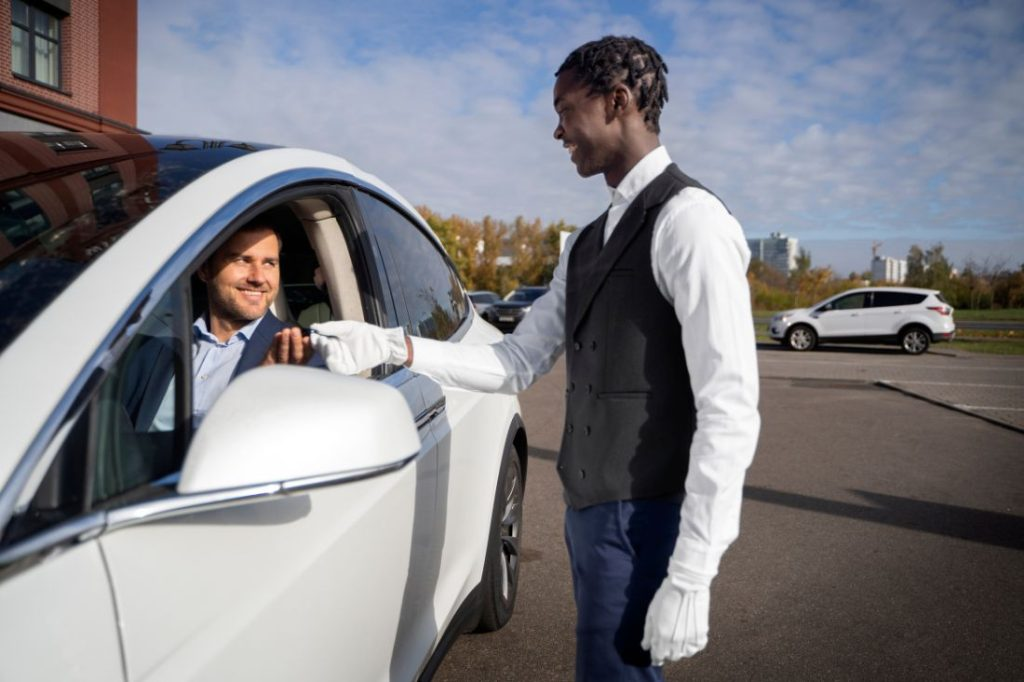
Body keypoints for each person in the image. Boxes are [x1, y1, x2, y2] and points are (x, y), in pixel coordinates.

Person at [310, 35, 760, 681]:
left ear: (618, 101)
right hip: (588, 509)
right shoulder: (586, 244)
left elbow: (730, 406)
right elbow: (515, 362)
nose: (557, 130)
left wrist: (693, 572)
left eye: (566, 108)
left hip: (648, 513)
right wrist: (390, 344)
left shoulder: (689, 221)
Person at [125, 221, 315, 431]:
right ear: (205, 270)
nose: (258, 278)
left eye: (269, 263)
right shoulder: (153, 350)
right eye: (242, 260)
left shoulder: (302, 355)